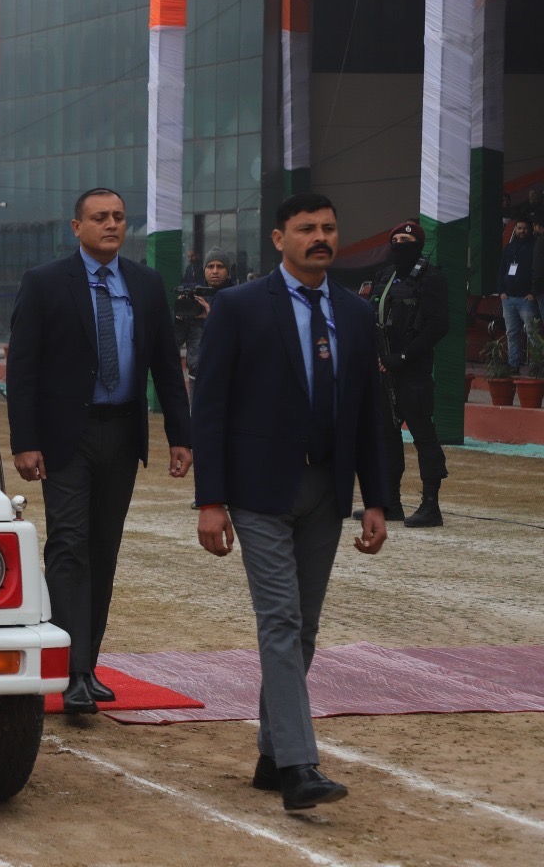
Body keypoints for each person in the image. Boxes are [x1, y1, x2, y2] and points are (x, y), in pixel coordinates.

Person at [193, 192, 388, 813]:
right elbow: (212, 406)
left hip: (327, 491)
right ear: (280, 239)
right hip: (257, 490)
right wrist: (211, 500)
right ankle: (301, 767)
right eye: (306, 229)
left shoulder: (356, 316)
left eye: (329, 228)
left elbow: (371, 417)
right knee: (279, 622)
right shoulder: (239, 307)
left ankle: (272, 754)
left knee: (303, 628)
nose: (320, 238)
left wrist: (377, 500)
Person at [4, 188, 192, 714]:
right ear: (76, 227)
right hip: (68, 434)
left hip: (122, 432)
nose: (112, 225)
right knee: (69, 542)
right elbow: (22, 370)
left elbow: (165, 367)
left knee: (104, 546)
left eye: (119, 218)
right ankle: (71, 670)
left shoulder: (147, 283)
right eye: (100, 218)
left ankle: (89, 662)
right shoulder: (44, 283)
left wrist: (181, 435)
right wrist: (26, 442)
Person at [365, 220, 448, 526]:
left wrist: (401, 357)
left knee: (423, 437)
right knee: (386, 437)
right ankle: (390, 503)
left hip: (412, 370)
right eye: (396, 239)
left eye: (407, 239)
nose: (400, 244)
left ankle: (431, 505)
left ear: (419, 244)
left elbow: (438, 326)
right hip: (383, 370)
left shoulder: (431, 278)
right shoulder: (384, 277)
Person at [183, 247, 236, 394]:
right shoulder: (194, 297)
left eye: (220, 266)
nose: (215, 271)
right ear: (204, 269)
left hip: (229, 373)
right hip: (197, 372)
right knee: (198, 417)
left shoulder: (238, 298)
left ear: (228, 271)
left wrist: (212, 316)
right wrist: (180, 316)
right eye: (210, 266)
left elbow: (241, 337)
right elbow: (177, 338)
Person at [499, 218, 537, 372]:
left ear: (530, 230)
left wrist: (533, 293)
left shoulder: (535, 248)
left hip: (526, 298)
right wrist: (501, 291)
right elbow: (501, 270)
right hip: (508, 298)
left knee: (532, 333)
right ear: (515, 230)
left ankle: (537, 365)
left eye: (525, 228)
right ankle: (513, 365)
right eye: (519, 228)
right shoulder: (508, 248)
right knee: (511, 333)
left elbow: (538, 272)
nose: (522, 231)